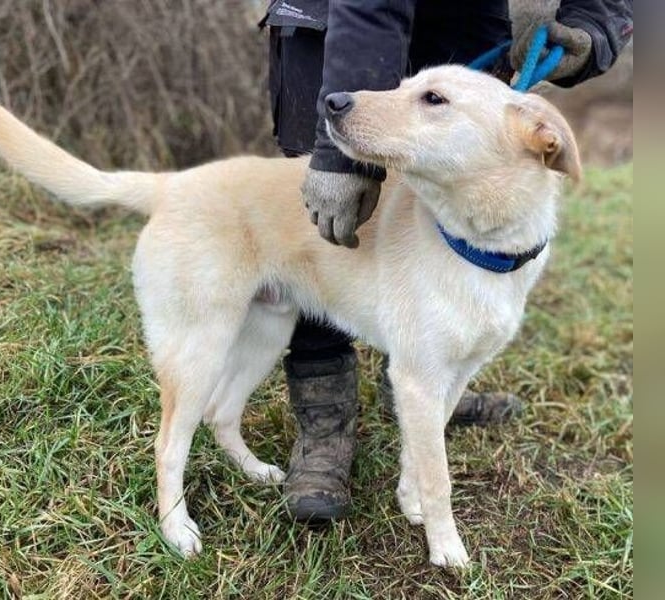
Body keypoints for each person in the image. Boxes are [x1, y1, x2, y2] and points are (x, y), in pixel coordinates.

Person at [261, 0, 633, 524]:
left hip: (464, 25)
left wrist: (591, 31)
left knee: (448, 214)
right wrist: (336, 156)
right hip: (339, 22)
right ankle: (324, 416)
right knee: (326, 228)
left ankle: (433, 382)